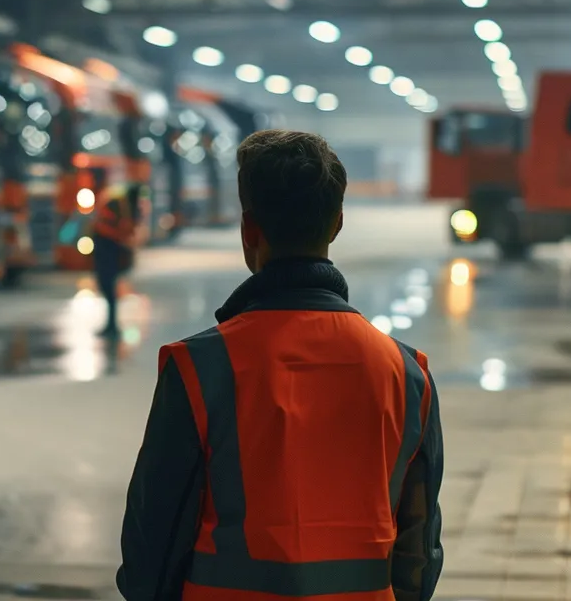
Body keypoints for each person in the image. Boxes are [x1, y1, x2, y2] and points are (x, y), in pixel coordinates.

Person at [117, 130, 444, 601]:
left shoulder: (200, 368)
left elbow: (151, 546)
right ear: (337, 224)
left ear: (250, 231)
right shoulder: (407, 375)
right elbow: (419, 556)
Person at [92, 184, 138, 336]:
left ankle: (111, 325)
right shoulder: (123, 206)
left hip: (108, 250)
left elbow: (104, 225)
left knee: (108, 288)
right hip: (111, 250)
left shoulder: (119, 205)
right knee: (108, 288)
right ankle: (111, 324)